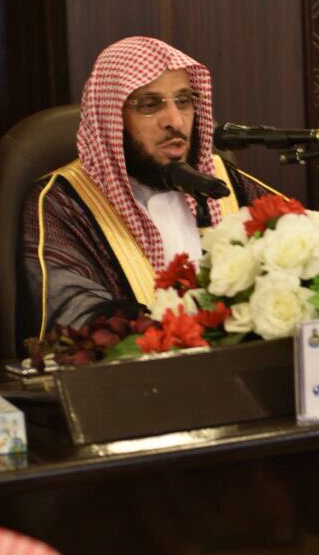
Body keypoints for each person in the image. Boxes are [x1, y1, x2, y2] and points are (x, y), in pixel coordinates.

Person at [20, 36, 273, 340]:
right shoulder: (64, 203)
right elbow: (76, 317)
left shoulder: (226, 184)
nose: (175, 121)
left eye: (184, 101)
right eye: (150, 105)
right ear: (112, 118)